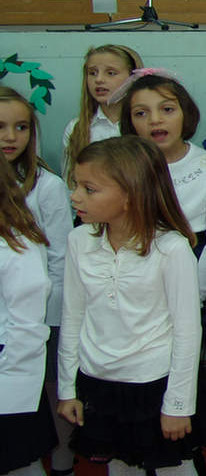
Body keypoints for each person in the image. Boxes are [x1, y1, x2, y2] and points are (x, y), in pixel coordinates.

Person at [57, 136, 202, 476]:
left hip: (154, 383)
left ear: (130, 194)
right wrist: (67, 388)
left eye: (89, 189)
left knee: (174, 468)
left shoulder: (171, 248)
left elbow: (187, 331)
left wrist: (178, 404)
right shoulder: (79, 240)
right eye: (76, 185)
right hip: (98, 381)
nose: (75, 196)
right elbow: (73, 316)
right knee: (121, 467)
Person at [117, 69, 206, 461]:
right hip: (137, 276)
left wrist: (190, 294)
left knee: (184, 359)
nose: (155, 120)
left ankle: (186, 445)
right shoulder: (123, 166)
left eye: (166, 109)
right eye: (141, 113)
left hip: (195, 269)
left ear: (185, 113)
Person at [0, 87, 74, 476]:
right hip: (12, 320)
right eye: (1, 127)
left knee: (50, 391)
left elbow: (59, 257)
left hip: (43, 313)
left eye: (21, 127)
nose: (11, 137)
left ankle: (63, 460)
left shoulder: (46, 185)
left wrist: (52, 317)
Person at [0, 155, 56, 476]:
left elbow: (27, 324)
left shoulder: (15, 241)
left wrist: (12, 386)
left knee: (18, 462)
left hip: (9, 374)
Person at [61, 44, 143, 183]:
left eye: (111, 73)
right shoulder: (76, 128)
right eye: (92, 73)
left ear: (133, 77)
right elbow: (69, 183)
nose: (98, 80)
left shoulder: (145, 124)